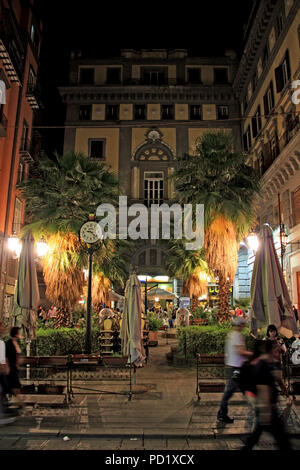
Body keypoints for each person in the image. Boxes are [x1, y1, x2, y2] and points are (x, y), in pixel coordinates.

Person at [241, 340, 292, 451]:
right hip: (268, 409)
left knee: (256, 436)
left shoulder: (265, 364)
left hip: (266, 409)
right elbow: (263, 389)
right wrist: (266, 412)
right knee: (282, 440)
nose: (277, 353)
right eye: (275, 350)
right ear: (270, 351)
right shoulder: (263, 366)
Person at [217, 316, 252, 423]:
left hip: (236, 367)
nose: (244, 326)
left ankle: (255, 409)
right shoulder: (237, 336)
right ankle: (222, 413)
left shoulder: (231, 334)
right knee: (230, 390)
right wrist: (254, 354)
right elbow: (240, 351)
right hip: (236, 369)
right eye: (243, 324)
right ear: (239, 325)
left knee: (245, 389)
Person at [0, 323, 17, 425]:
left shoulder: (2, 342)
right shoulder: (2, 343)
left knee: (1, 392)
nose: (3, 328)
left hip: (1, 371)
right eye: (1, 327)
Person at [6, 327, 24, 409]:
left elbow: (18, 354)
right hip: (11, 367)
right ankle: (20, 402)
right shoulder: (9, 343)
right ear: (16, 333)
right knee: (15, 385)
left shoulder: (16, 342)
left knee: (15, 385)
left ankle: (19, 402)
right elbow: (7, 356)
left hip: (15, 367)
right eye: (18, 332)